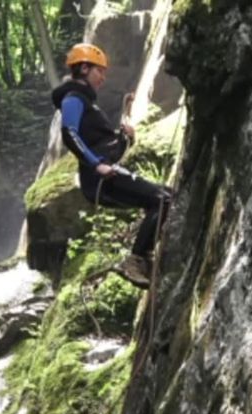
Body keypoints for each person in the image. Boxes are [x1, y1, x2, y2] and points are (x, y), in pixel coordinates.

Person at [51, 42, 172, 289]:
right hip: (100, 178)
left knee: (163, 197)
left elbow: (101, 145)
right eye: (99, 71)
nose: (103, 78)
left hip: (102, 176)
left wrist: (125, 137)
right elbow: (69, 134)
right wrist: (96, 165)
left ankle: (142, 257)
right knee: (162, 198)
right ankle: (137, 259)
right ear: (84, 68)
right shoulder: (73, 98)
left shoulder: (87, 104)